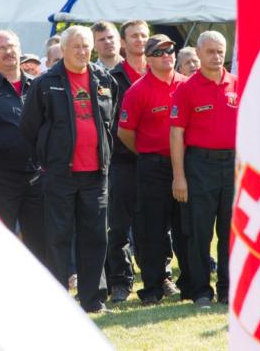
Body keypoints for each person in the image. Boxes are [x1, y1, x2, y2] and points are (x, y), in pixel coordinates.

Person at [20, 25, 118, 313]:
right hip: (60, 174)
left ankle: (93, 300)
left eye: (86, 45)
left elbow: (109, 121)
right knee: (59, 237)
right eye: (76, 46)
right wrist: (50, 156)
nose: (82, 51)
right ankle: (59, 299)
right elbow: (29, 127)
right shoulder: (45, 83)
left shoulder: (103, 79)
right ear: (63, 50)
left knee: (95, 237)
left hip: (96, 175)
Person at [117, 34, 190, 305]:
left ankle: (191, 285)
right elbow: (125, 133)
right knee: (151, 230)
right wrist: (147, 152)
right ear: (148, 59)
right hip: (152, 167)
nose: (166, 55)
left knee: (186, 228)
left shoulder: (186, 84)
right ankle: (152, 288)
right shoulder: (137, 90)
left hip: (186, 164)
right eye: (159, 52)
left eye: (170, 50)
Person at [170, 30, 237, 308]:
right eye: (210, 51)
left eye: (220, 51)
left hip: (233, 165)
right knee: (199, 231)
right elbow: (176, 134)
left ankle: (228, 289)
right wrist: (179, 177)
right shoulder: (186, 88)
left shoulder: (237, 84)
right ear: (198, 53)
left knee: (231, 231)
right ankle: (200, 291)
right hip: (200, 166)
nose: (216, 56)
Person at [0, 30, 46, 262]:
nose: (8, 51)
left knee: (39, 242)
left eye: (12, 46)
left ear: (20, 50)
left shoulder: (38, 86)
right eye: (2, 48)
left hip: (36, 177)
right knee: (0, 242)